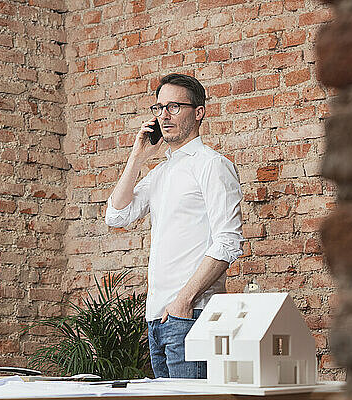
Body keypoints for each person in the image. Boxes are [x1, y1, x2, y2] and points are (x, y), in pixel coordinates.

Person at [105, 73, 244, 379]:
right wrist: (138, 156)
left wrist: (184, 300)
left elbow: (228, 242)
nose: (164, 115)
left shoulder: (212, 165)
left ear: (199, 112)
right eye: (159, 108)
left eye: (174, 106)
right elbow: (116, 215)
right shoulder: (162, 172)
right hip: (157, 318)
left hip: (191, 315)